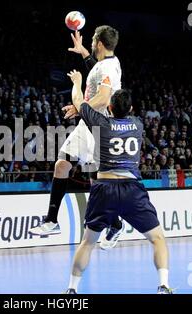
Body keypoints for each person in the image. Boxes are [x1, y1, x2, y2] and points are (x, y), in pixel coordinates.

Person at [63, 71, 173, 294]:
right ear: (131, 110)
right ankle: (163, 286)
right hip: (132, 189)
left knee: (88, 243)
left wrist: (77, 83)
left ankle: (71, 290)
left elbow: (78, 102)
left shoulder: (100, 122)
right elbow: (124, 110)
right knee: (158, 238)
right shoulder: (138, 124)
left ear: (109, 109)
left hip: (104, 189)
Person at [29, 26, 124, 250]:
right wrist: (83, 51)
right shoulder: (105, 64)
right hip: (87, 125)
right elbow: (97, 73)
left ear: (99, 43)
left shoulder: (109, 66)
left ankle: (115, 224)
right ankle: (51, 221)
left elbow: (103, 97)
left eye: (92, 40)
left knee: (96, 183)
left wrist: (78, 106)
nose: (91, 41)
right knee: (62, 165)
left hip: (100, 127)